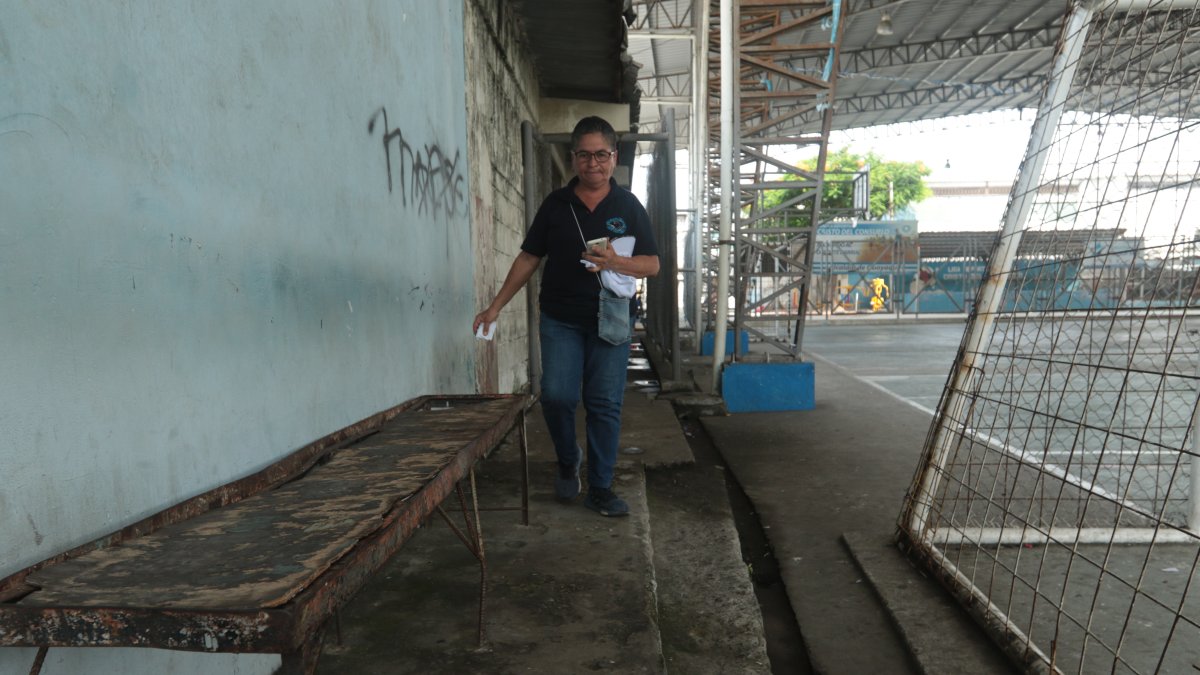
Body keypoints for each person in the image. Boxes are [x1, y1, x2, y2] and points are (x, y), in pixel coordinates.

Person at [473, 116, 660, 517]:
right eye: (584, 155)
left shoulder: (628, 206)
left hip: (611, 318)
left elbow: (653, 265)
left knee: (604, 403)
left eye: (601, 155)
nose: (593, 163)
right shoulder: (556, 206)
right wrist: (495, 306)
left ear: (613, 156)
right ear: (573, 158)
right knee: (557, 396)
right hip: (560, 318)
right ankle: (567, 457)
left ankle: (601, 488)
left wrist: (616, 261)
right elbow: (528, 257)